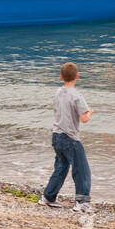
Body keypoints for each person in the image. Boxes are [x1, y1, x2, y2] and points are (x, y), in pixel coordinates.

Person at [38, 61, 93, 212]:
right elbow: (84, 119)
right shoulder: (77, 96)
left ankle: (48, 197)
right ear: (77, 76)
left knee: (61, 167)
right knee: (81, 169)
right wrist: (90, 112)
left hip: (56, 135)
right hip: (70, 137)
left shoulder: (57, 92)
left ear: (61, 77)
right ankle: (82, 202)